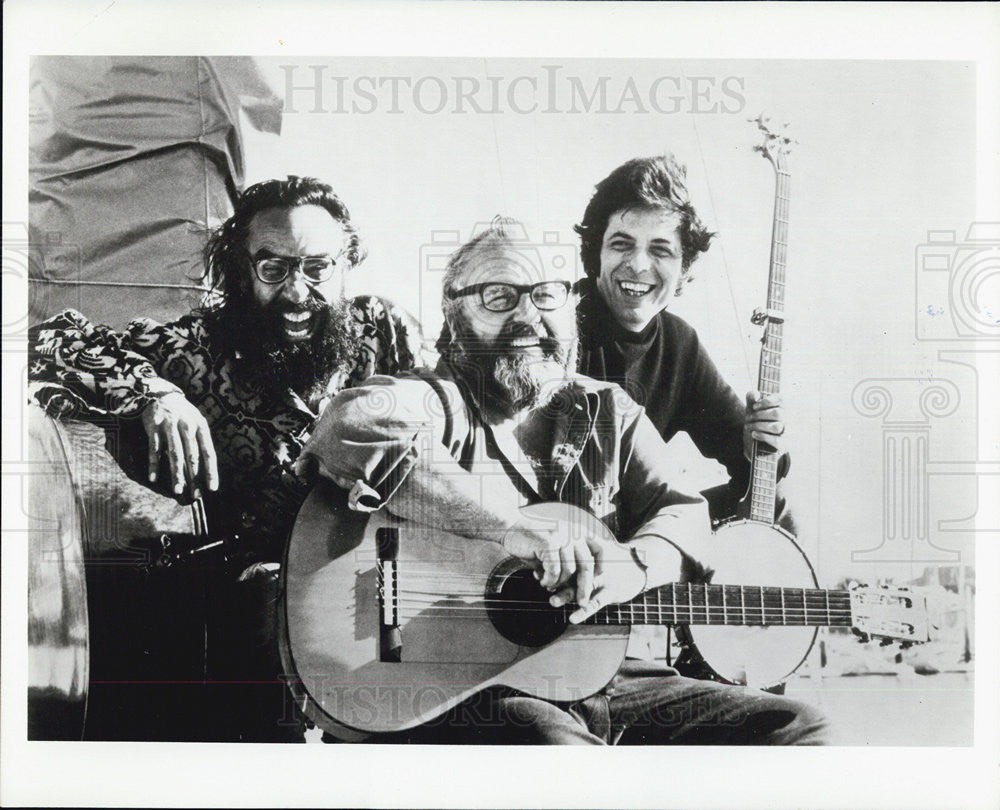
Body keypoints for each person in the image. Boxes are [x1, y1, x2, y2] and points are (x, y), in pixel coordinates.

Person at [299, 220, 827, 745]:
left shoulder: (610, 411)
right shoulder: (436, 400)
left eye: (547, 295)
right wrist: (509, 530)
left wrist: (635, 565)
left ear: (571, 308)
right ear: (454, 314)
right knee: (562, 759)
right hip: (465, 688)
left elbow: (684, 510)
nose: (529, 316)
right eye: (499, 296)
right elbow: (353, 423)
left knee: (798, 728)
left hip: (609, 678)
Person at [27, 175, 426, 741]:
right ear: (240, 268)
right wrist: (155, 392)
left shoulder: (385, 330)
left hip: (397, 577)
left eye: (318, 268)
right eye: (273, 268)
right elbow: (45, 344)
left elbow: (450, 412)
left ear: (346, 263)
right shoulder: (192, 348)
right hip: (261, 602)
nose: (297, 292)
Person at [573, 155, 793, 531]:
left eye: (660, 249)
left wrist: (758, 441)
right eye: (622, 244)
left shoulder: (679, 344)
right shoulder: (557, 322)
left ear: (683, 270)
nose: (639, 265)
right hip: (560, 532)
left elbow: (751, 472)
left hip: (636, 534)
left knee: (780, 506)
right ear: (596, 254)